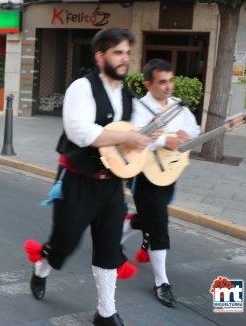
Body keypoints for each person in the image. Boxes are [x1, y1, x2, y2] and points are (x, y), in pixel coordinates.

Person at [23, 27, 158, 326]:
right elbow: (81, 132)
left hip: (111, 185)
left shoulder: (127, 95)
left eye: (127, 53)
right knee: (65, 243)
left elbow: (140, 130)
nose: (125, 59)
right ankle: (42, 266)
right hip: (76, 182)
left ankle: (106, 312)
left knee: (109, 247)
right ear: (101, 56)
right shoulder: (81, 89)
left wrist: (160, 137)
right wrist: (128, 137)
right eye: (118, 53)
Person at [120, 59, 200, 308]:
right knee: (159, 225)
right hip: (145, 173)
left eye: (171, 80)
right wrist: (163, 141)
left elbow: (195, 129)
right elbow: (133, 137)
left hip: (169, 172)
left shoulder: (178, 107)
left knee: (149, 218)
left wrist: (187, 135)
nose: (168, 86)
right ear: (148, 84)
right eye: (162, 81)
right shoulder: (138, 107)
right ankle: (161, 282)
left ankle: (114, 237)